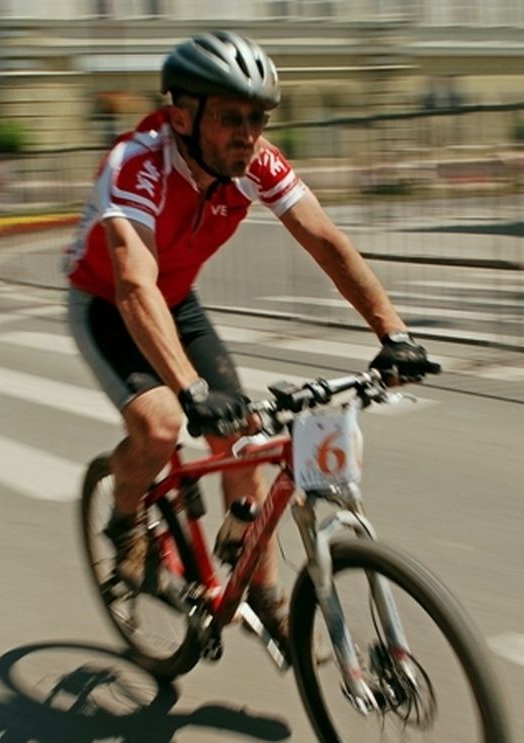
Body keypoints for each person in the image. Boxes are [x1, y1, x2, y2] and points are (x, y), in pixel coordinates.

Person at [66, 31, 438, 651]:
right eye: (230, 118)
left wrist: (393, 333)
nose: (248, 134)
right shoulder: (137, 163)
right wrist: (188, 389)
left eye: (257, 119)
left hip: (176, 300)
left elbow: (325, 240)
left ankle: (260, 592)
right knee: (160, 426)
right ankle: (126, 521)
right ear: (182, 117)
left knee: (244, 439)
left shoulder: (256, 161)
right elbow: (133, 286)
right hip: (109, 304)